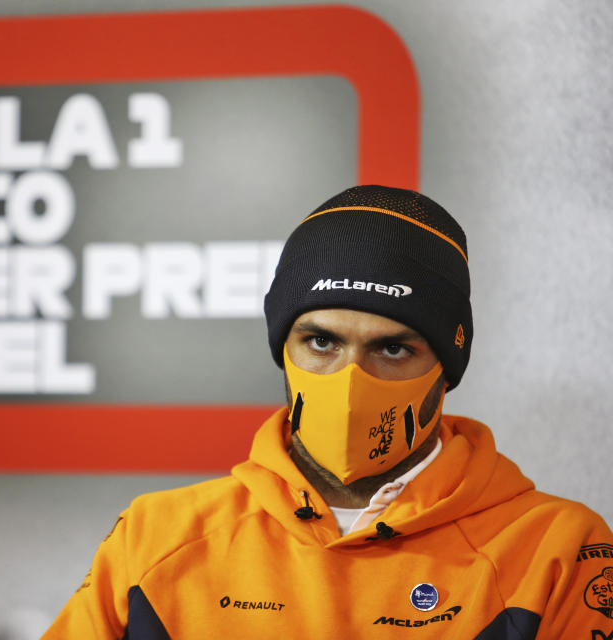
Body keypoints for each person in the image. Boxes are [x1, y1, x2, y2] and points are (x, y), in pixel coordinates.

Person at [42, 185, 613, 639]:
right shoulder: (157, 535)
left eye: (392, 348)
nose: (349, 380)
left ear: (448, 364)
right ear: (281, 350)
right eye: (321, 342)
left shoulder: (554, 549)